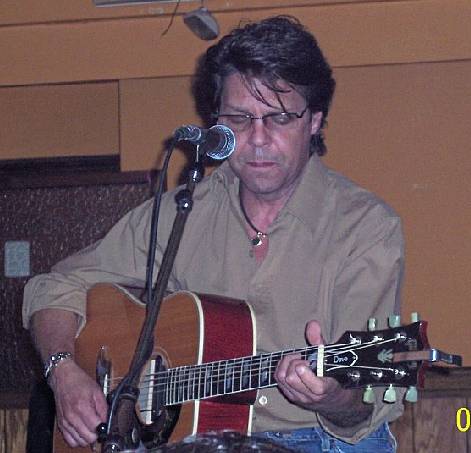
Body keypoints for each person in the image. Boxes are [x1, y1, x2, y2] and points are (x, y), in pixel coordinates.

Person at [23, 16, 404, 452]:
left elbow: (360, 405)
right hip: (201, 440)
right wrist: (64, 372)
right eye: (239, 119)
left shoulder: (366, 227)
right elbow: (54, 287)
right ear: (215, 122)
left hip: (324, 440)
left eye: (279, 118)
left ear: (314, 121)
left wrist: (332, 396)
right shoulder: (184, 211)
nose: (258, 139)